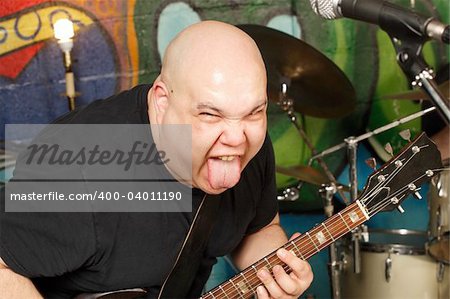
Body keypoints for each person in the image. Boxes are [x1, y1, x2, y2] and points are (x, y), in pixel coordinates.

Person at [0, 21, 313, 298]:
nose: (236, 137)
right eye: (209, 114)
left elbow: (258, 227)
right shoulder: (78, 165)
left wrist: (277, 274)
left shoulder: (248, 143)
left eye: (254, 112)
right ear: (163, 101)